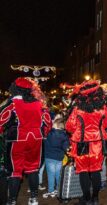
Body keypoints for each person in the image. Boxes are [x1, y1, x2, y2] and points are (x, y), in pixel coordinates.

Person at [0, 77, 52, 205]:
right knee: (33, 169)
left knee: (15, 171)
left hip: (17, 140)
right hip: (35, 140)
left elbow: (1, 120)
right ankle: (34, 198)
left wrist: (3, 133)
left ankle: (12, 201)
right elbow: (48, 122)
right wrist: (42, 133)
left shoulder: (12, 103)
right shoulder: (39, 104)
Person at [65, 80, 107, 205]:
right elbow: (105, 124)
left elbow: (69, 126)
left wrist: (80, 130)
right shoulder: (103, 108)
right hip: (98, 143)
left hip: (81, 143)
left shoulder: (77, 109)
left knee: (83, 171)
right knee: (96, 171)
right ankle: (95, 198)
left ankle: (87, 199)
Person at [42, 118, 69, 199]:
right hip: (59, 158)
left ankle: (51, 191)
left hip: (50, 158)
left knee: (51, 175)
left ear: (56, 125)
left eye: (54, 123)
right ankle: (58, 189)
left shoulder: (51, 134)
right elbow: (65, 147)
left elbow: (46, 139)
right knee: (58, 174)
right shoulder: (64, 136)